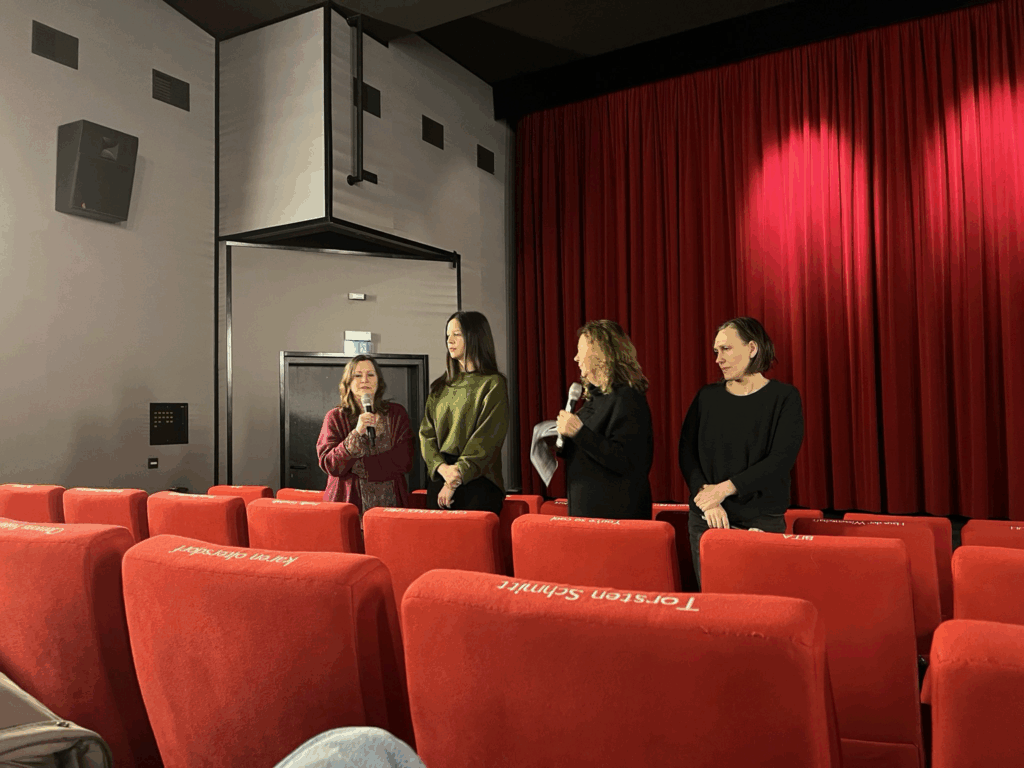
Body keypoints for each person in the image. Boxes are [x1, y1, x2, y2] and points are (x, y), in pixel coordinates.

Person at [678, 316, 804, 586]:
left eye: (726, 349)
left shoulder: (784, 397)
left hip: (762, 517)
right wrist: (708, 497)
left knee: (760, 602)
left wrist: (723, 490)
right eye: (716, 351)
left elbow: (780, 460)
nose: (718, 359)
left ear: (752, 348)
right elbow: (686, 453)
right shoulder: (706, 397)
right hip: (707, 516)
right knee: (713, 602)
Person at [555, 320, 654, 520]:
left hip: (617, 517)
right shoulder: (591, 400)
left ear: (601, 354)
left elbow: (628, 462)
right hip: (586, 514)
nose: (575, 358)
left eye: (580, 351)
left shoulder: (627, 397)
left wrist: (579, 433)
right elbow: (586, 452)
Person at [419, 311, 508, 513]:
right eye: (447, 335)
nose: (449, 341)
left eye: (457, 334)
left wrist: (454, 480)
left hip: (478, 481)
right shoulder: (440, 387)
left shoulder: (493, 384)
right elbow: (426, 435)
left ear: (475, 337)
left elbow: (486, 439)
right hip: (440, 477)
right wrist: (442, 469)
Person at [317, 355, 413, 521]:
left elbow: (405, 459)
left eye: (370, 374)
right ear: (348, 382)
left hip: (390, 508)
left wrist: (358, 467)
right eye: (357, 375)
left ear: (378, 380)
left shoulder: (396, 414)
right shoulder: (335, 417)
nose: (364, 380)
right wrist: (356, 433)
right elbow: (331, 464)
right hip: (348, 508)